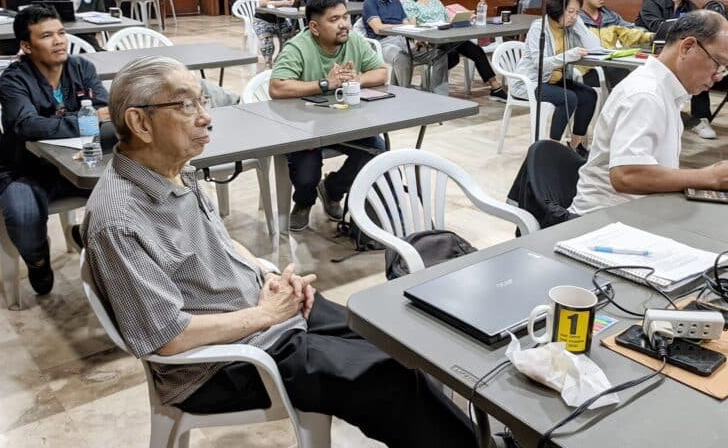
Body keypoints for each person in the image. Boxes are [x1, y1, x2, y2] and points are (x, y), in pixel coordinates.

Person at [81, 56, 474, 448]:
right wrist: (265, 314)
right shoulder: (119, 220)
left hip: (258, 315)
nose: (205, 117)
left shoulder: (173, 167)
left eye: (203, 102)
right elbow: (167, 338)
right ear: (140, 123)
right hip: (221, 364)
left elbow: (218, 242)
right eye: (186, 106)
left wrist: (267, 275)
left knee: (390, 338)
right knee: (386, 378)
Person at [571, 11, 728, 215]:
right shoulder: (645, 95)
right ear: (687, 47)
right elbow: (626, 175)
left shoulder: (665, 90)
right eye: (717, 63)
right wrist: (710, 176)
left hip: (634, 211)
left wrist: (715, 175)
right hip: (603, 220)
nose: (718, 76)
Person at [0, 4, 107, 295]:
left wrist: (85, 119)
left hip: (80, 162)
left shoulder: (81, 67)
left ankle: (88, 236)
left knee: (126, 191)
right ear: (26, 46)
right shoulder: (14, 79)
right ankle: (37, 260)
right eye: (46, 36)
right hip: (26, 170)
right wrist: (86, 121)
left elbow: (107, 109)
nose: (59, 41)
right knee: (23, 218)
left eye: (61, 32)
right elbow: (26, 126)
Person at [269, 0, 389, 232]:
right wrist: (325, 84)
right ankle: (303, 201)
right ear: (314, 27)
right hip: (302, 127)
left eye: (345, 16)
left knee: (377, 149)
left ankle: (333, 189)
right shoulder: (298, 47)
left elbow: (381, 72)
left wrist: (358, 79)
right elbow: (277, 86)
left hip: (343, 122)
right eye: (334, 19)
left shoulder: (352, 40)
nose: (344, 24)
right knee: (306, 175)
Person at [514, 0, 601, 157]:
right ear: (557, 8)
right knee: (568, 98)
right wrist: (569, 55)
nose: (573, 16)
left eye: (577, 12)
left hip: (556, 81)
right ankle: (551, 151)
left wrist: (579, 24)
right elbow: (541, 65)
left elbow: (595, 47)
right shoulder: (539, 27)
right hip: (532, 83)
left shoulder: (569, 28)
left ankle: (575, 147)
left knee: (589, 95)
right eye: (570, 11)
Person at [635, 0, 715, 139]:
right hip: (648, 52)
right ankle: (675, 119)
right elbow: (657, 28)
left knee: (702, 66)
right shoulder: (652, 1)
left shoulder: (691, 6)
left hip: (675, 51)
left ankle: (700, 117)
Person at [403, 0, 507, 101]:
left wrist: (457, 21)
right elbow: (413, 26)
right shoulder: (410, 4)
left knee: (476, 50)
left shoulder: (435, 1)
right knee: (452, 57)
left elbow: (447, 19)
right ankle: (432, 84)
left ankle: (495, 88)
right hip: (433, 39)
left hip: (449, 34)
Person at [362, 0, 448, 95]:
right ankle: (405, 94)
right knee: (402, 58)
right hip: (383, 44)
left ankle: (439, 95)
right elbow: (378, 28)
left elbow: (407, 24)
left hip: (403, 40)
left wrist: (415, 38)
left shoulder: (396, 2)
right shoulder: (370, 3)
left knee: (439, 54)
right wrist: (400, 28)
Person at [253, 0, 300, 68]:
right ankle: (268, 65)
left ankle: (281, 61)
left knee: (291, 38)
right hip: (264, 20)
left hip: (280, 19)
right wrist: (282, 2)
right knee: (268, 44)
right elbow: (262, 2)